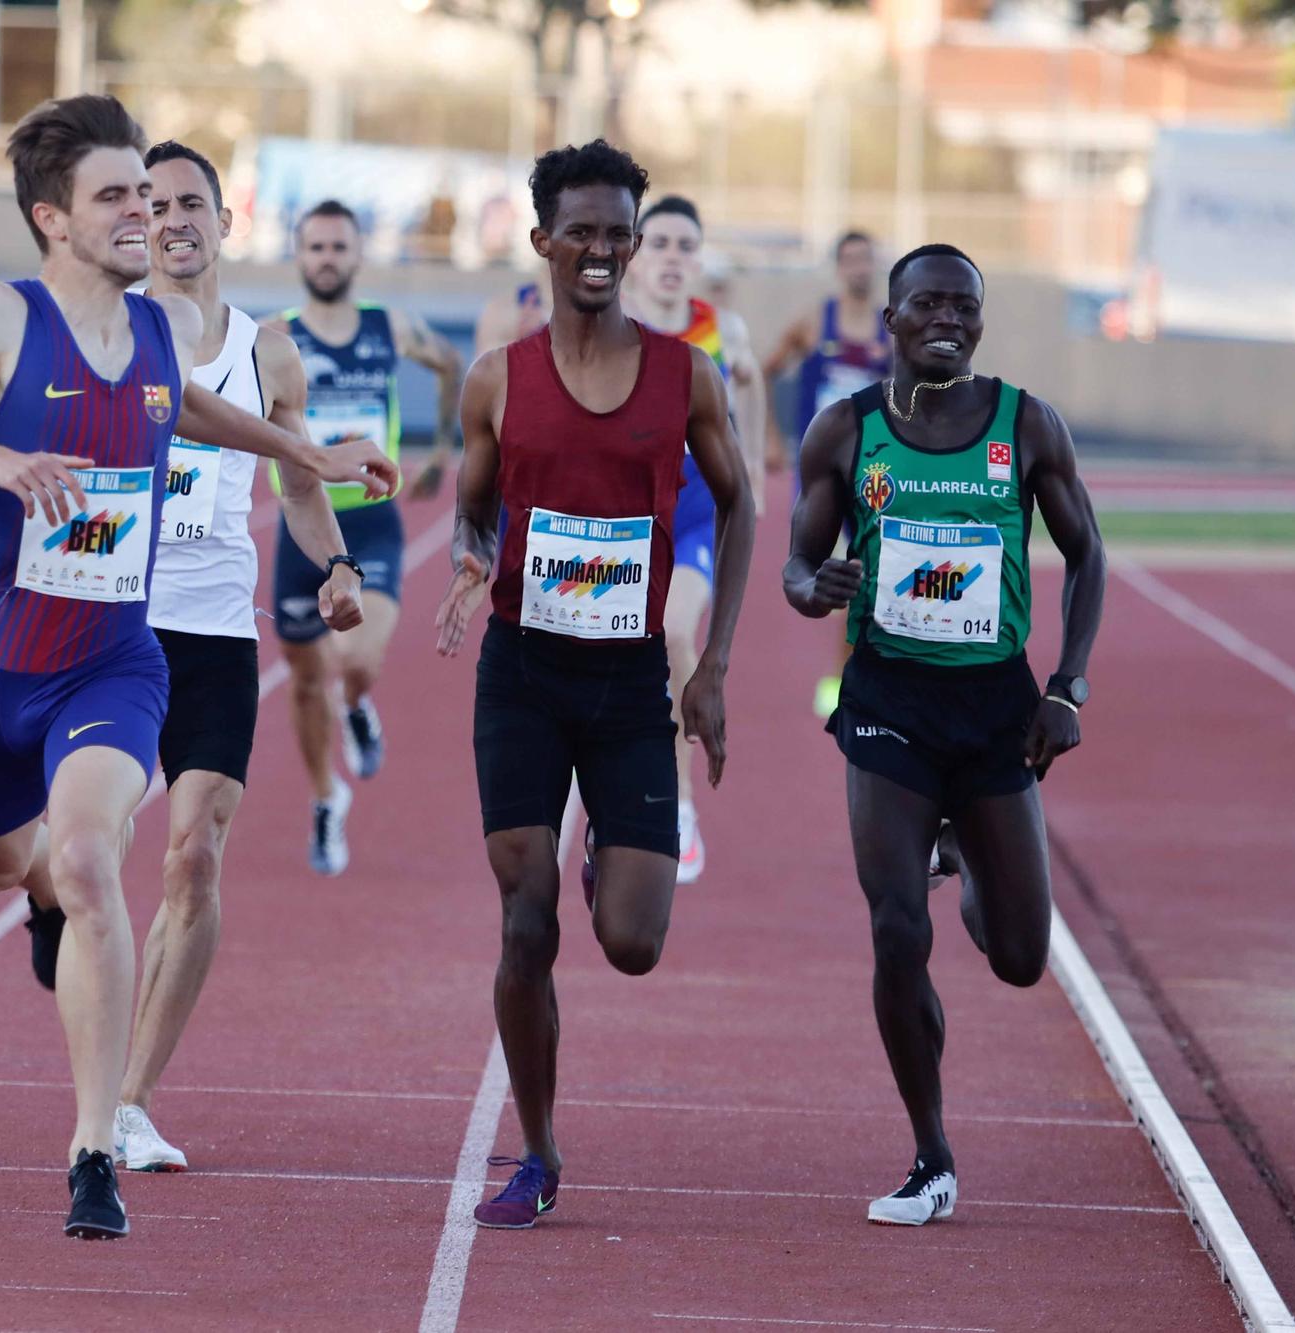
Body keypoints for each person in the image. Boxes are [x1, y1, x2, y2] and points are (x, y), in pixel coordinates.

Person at [0, 95, 394, 1239]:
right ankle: (28, 883)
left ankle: (96, 1143)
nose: (142, 212)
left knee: (104, 859)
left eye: (148, 194)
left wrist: (307, 452)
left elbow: (189, 407)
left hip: (113, 662)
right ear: (52, 218)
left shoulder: (153, 333)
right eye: (116, 195)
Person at [10, 139, 367, 1174]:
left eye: (189, 204)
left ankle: (126, 1100)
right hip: (107, 623)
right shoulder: (104, 336)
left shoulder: (269, 353)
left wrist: (335, 565)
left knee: (194, 855)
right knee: (77, 851)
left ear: (223, 220)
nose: (169, 219)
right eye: (150, 202)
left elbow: (299, 484)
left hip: (211, 629)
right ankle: (48, 900)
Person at [435, 140, 754, 1230]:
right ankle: (536, 1149)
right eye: (582, 230)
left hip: (626, 685)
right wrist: (470, 564)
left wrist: (707, 667)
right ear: (541, 243)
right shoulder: (497, 379)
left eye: (619, 230)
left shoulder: (684, 374)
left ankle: (604, 869)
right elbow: (473, 505)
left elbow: (740, 503)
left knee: (630, 941)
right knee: (523, 923)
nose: (603, 249)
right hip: (521, 671)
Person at [782, 243, 1105, 1226]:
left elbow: (1085, 555)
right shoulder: (843, 433)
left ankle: (962, 852)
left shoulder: (1024, 424)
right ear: (887, 316)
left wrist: (1067, 687)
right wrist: (813, 587)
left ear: (977, 319)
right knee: (893, 928)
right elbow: (798, 564)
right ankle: (929, 1153)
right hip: (885, 702)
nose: (945, 320)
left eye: (962, 306)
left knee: (1017, 955)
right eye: (924, 303)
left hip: (993, 709)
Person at [265, 200, 465, 875]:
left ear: (357, 255)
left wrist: (441, 449)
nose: (326, 257)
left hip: (373, 516)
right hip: (300, 524)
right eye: (314, 246)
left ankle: (357, 705)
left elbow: (451, 363)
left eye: (337, 246)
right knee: (302, 679)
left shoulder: (391, 325)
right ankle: (327, 797)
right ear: (298, 256)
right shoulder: (272, 339)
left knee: (354, 659)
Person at [615, 195, 765, 885]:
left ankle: (678, 807)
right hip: (622, 516)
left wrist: (753, 474)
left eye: (687, 247)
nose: (674, 259)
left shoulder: (722, 332)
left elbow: (753, 385)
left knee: (673, 634)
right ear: (635, 254)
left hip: (696, 514)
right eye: (662, 244)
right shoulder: (611, 327)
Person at [764, 230, 891, 719]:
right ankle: (846, 672)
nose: (860, 267)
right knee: (821, 571)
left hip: (874, 471)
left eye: (867, 258)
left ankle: (845, 675)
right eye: (851, 259)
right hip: (821, 471)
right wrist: (774, 438)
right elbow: (767, 368)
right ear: (839, 266)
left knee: (865, 572)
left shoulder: (891, 329)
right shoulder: (817, 322)